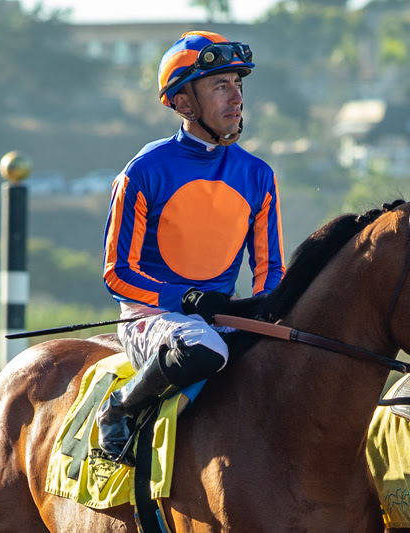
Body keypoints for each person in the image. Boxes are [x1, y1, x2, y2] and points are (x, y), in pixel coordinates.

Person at [96, 31, 286, 465]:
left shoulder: (258, 175)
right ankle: (120, 408)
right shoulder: (143, 171)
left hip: (222, 314)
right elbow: (116, 273)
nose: (236, 97)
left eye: (238, 85)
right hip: (152, 318)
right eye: (220, 86)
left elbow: (269, 269)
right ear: (183, 104)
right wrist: (182, 298)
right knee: (205, 348)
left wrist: (265, 308)